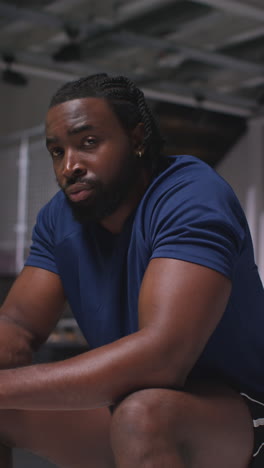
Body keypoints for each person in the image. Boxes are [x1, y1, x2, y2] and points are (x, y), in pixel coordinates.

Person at [0, 72, 263, 468]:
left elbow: (162, 359)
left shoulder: (190, 195)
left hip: (242, 410)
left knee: (143, 415)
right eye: (57, 151)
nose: (69, 165)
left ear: (137, 139)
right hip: (134, 406)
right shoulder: (59, 219)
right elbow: (17, 325)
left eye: (88, 143)